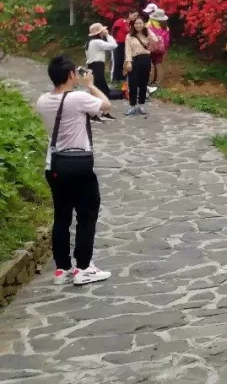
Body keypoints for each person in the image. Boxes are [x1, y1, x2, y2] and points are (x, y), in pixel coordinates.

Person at [35, 55, 113, 286]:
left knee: (61, 216)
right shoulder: (78, 97)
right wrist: (91, 86)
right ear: (71, 75)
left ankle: (62, 269)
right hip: (78, 165)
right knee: (87, 214)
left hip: (55, 165)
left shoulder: (42, 100)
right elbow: (106, 106)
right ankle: (84, 267)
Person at [123, 15, 159, 116]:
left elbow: (155, 41)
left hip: (145, 59)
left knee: (143, 84)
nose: (138, 25)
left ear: (143, 24)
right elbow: (128, 50)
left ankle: (141, 105)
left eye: (140, 23)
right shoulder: (129, 36)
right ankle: (132, 106)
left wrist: (148, 32)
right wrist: (128, 62)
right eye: (136, 23)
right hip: (134, 60)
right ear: (133, 25)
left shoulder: (147, 34)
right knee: (133, 84)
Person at [83, 24, 118, 119]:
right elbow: (113, 46)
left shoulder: (89, 42)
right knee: (100, 90)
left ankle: (102, 112)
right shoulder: (97, 42)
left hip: (93, 66)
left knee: (98, 90)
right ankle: (95, 113)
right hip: (97, 66)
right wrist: (108, 36)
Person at [147, 8, 170, 86]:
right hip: (161, 49)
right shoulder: (166, 27)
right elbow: (167, 40)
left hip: (151, 48)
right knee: (158, 64)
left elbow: (147, 36)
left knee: (151, 65)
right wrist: (165, 49)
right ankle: (158, 82)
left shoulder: (150, 24)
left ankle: (150, 81)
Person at [110, 12, 135, 82]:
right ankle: (115, 78)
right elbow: (114, 30)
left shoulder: (130, 24)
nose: (135, 17)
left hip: (125, 44)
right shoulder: (121, 21)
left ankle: (121, 76)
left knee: (123, 60)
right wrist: (114, 40)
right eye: (134, 15)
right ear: (129, 14)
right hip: (117, 43)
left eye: (136, 16)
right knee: (117, 60)